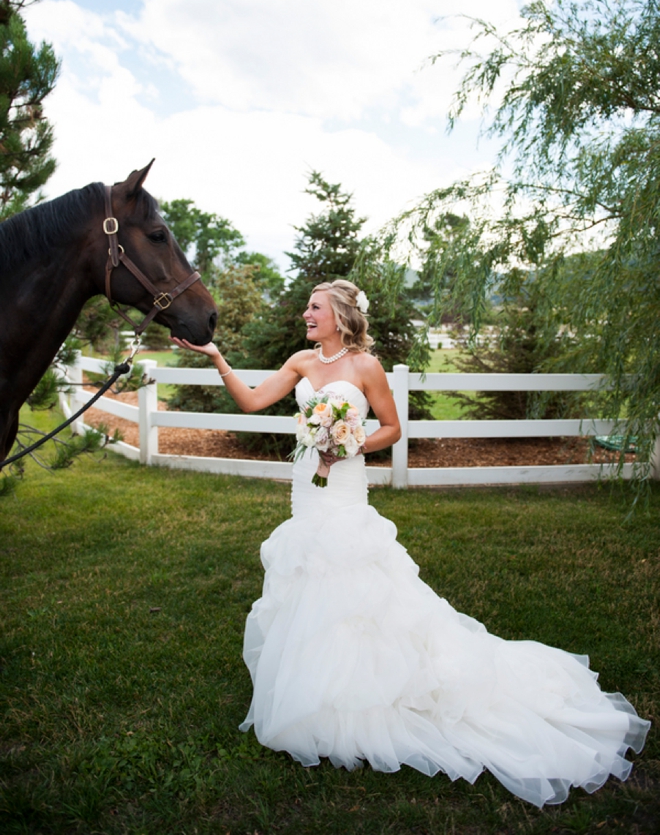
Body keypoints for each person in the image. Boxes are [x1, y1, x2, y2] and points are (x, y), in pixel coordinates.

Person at [172, 279, 650, 808]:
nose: (305, 314)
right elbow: (253, 400)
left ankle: (365, 695)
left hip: (345, 485)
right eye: (306, 307)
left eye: (314, 307)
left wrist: (347, 442)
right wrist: (216, 357)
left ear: (340, 316)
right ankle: (320, 691)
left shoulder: (365, 367)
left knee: (350, 574)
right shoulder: (300, 363)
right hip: (306, 486)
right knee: (309, 573)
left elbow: (393, 428)